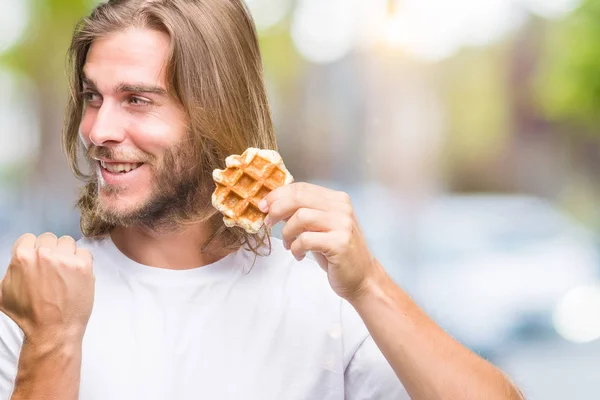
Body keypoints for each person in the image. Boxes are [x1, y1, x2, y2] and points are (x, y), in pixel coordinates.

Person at [0, 1, 524, 399]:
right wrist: (52, 342)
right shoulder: (37, 298)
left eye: (137, 100)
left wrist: (368, 285)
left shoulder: (325, 299)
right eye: (93, 97)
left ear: (215, 115)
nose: (97, 129)